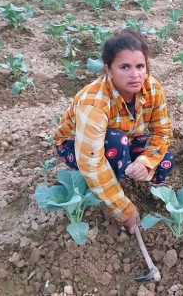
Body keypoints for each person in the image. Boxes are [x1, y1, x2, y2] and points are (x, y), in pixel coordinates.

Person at [54, 28, 174, 234]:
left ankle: (119, 178)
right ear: (109, 70)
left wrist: (145, 162)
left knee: (165, 161)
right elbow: (91, 162)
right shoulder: (94, 103)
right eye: (124, 67)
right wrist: (122, 208)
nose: (134, 74)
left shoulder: (152, 88)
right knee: (116, 142)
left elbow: (162, 132)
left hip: (125, 140)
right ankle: (110, 191)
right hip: (79, 148)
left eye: (140, 66)